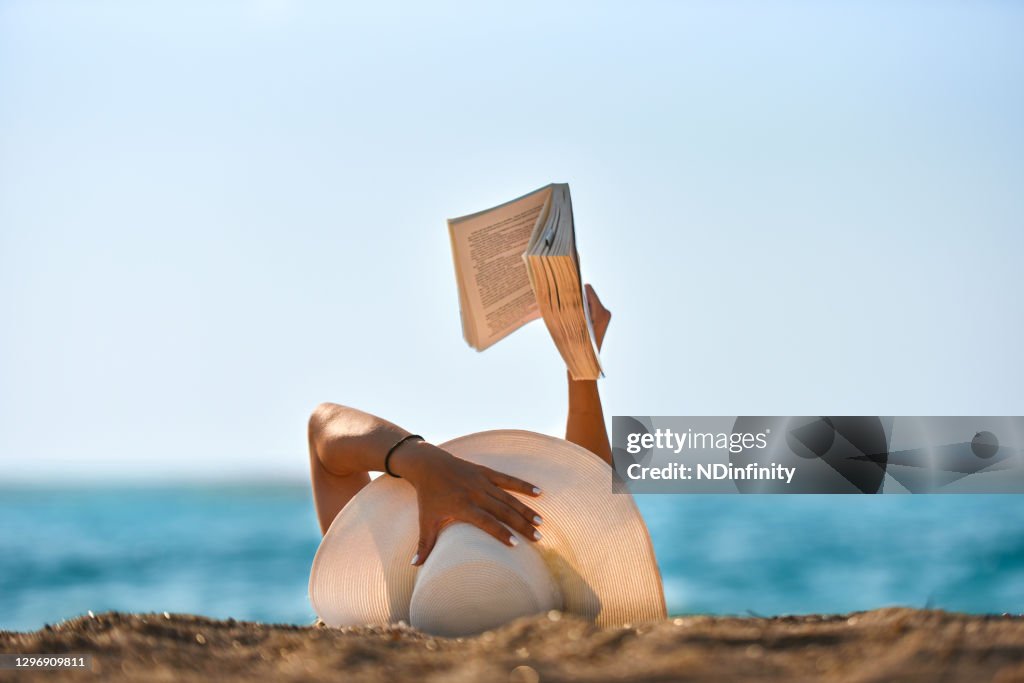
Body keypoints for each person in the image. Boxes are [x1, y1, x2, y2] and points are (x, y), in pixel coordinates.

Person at [307, 285, 614, 566]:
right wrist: (581, 366)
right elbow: (592, 485)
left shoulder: (378, 601)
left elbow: (325, 424)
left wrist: (424, 462)